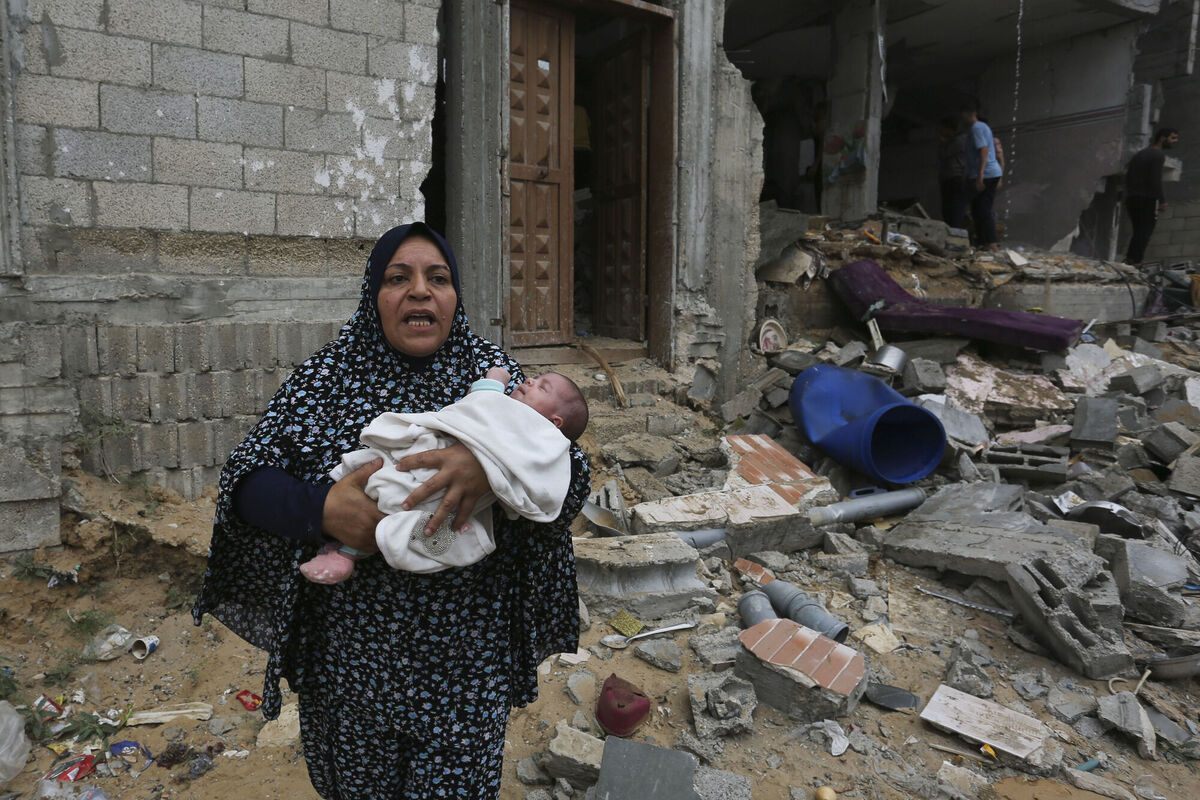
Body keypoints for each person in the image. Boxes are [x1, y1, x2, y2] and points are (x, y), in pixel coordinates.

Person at [192, 222, 590, 799]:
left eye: (439, 278)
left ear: (455, 298)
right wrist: (320, 508)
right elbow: (245, 479)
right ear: (373, 296)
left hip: (465, 668)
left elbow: (570, 472)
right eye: (398, 278)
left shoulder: (496, 378)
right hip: (353, 666)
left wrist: (492, 469)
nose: (421, 292)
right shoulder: (325, 380)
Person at [300, 367, 588, 583]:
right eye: (535, 377)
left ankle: (348, 553)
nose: (528, 380)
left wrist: (486, 467)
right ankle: (343, 547)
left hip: (453, 511)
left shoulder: (546, 444)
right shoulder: (504, 403)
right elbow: (482, 400)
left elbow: (549, 484)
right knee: (381, 483)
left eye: (543, 387)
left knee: (425, 526)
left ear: (555, 422)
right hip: (416, 463)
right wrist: (495, 380)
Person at [1125, 127, 1180, 265]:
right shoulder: (1157, 155)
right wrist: (1162, 200)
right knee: (1145, 231)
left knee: (1139, 231)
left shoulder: (1141, 154)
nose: (1175, 141)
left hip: (1132, 198)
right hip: (1146, 199)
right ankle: (1134, 261)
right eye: (1173, 138)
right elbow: (1155, 180)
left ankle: (1131, 259)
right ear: (1163, 138)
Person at [961, 102, 1004, 250]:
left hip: (986, 174)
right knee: (978, 208)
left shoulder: (977, 128)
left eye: (963, 114)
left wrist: (980, 176)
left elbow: (984, 150)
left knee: (983, 209)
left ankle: (991, 243)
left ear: (967, 113)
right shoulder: (982, 127)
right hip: (988, 173)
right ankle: (984, 242)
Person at [937, 116, 967, 229]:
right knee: (947, 209)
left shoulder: (959, 140)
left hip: (956, 178)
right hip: (948, 178)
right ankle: (950, 231)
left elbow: (945, 154)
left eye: (942, 129)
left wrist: (943, 142)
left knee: (955, 208)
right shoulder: (951, 141)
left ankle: (955, 233)